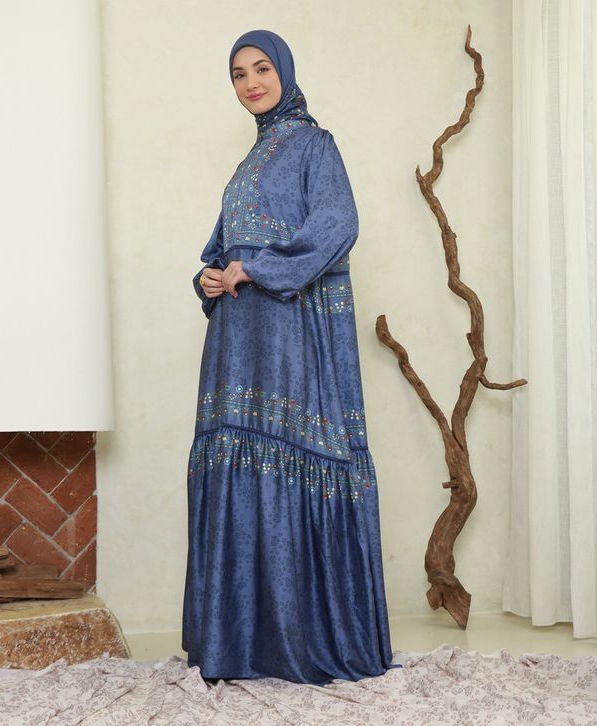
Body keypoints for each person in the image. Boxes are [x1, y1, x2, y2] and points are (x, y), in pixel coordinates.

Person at [183, 29, 393, 685]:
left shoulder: (313, 144)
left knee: (289, 455)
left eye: (261, 69)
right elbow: (222, 249)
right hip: (237, 340)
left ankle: (301, 639)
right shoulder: (248, 162)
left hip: (287, 333)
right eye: (238, 74)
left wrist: (258, 268)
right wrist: (210, 277)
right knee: (238, 459)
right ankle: (238, 644)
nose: (251, 83)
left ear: (285, 72)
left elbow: (337, 225)